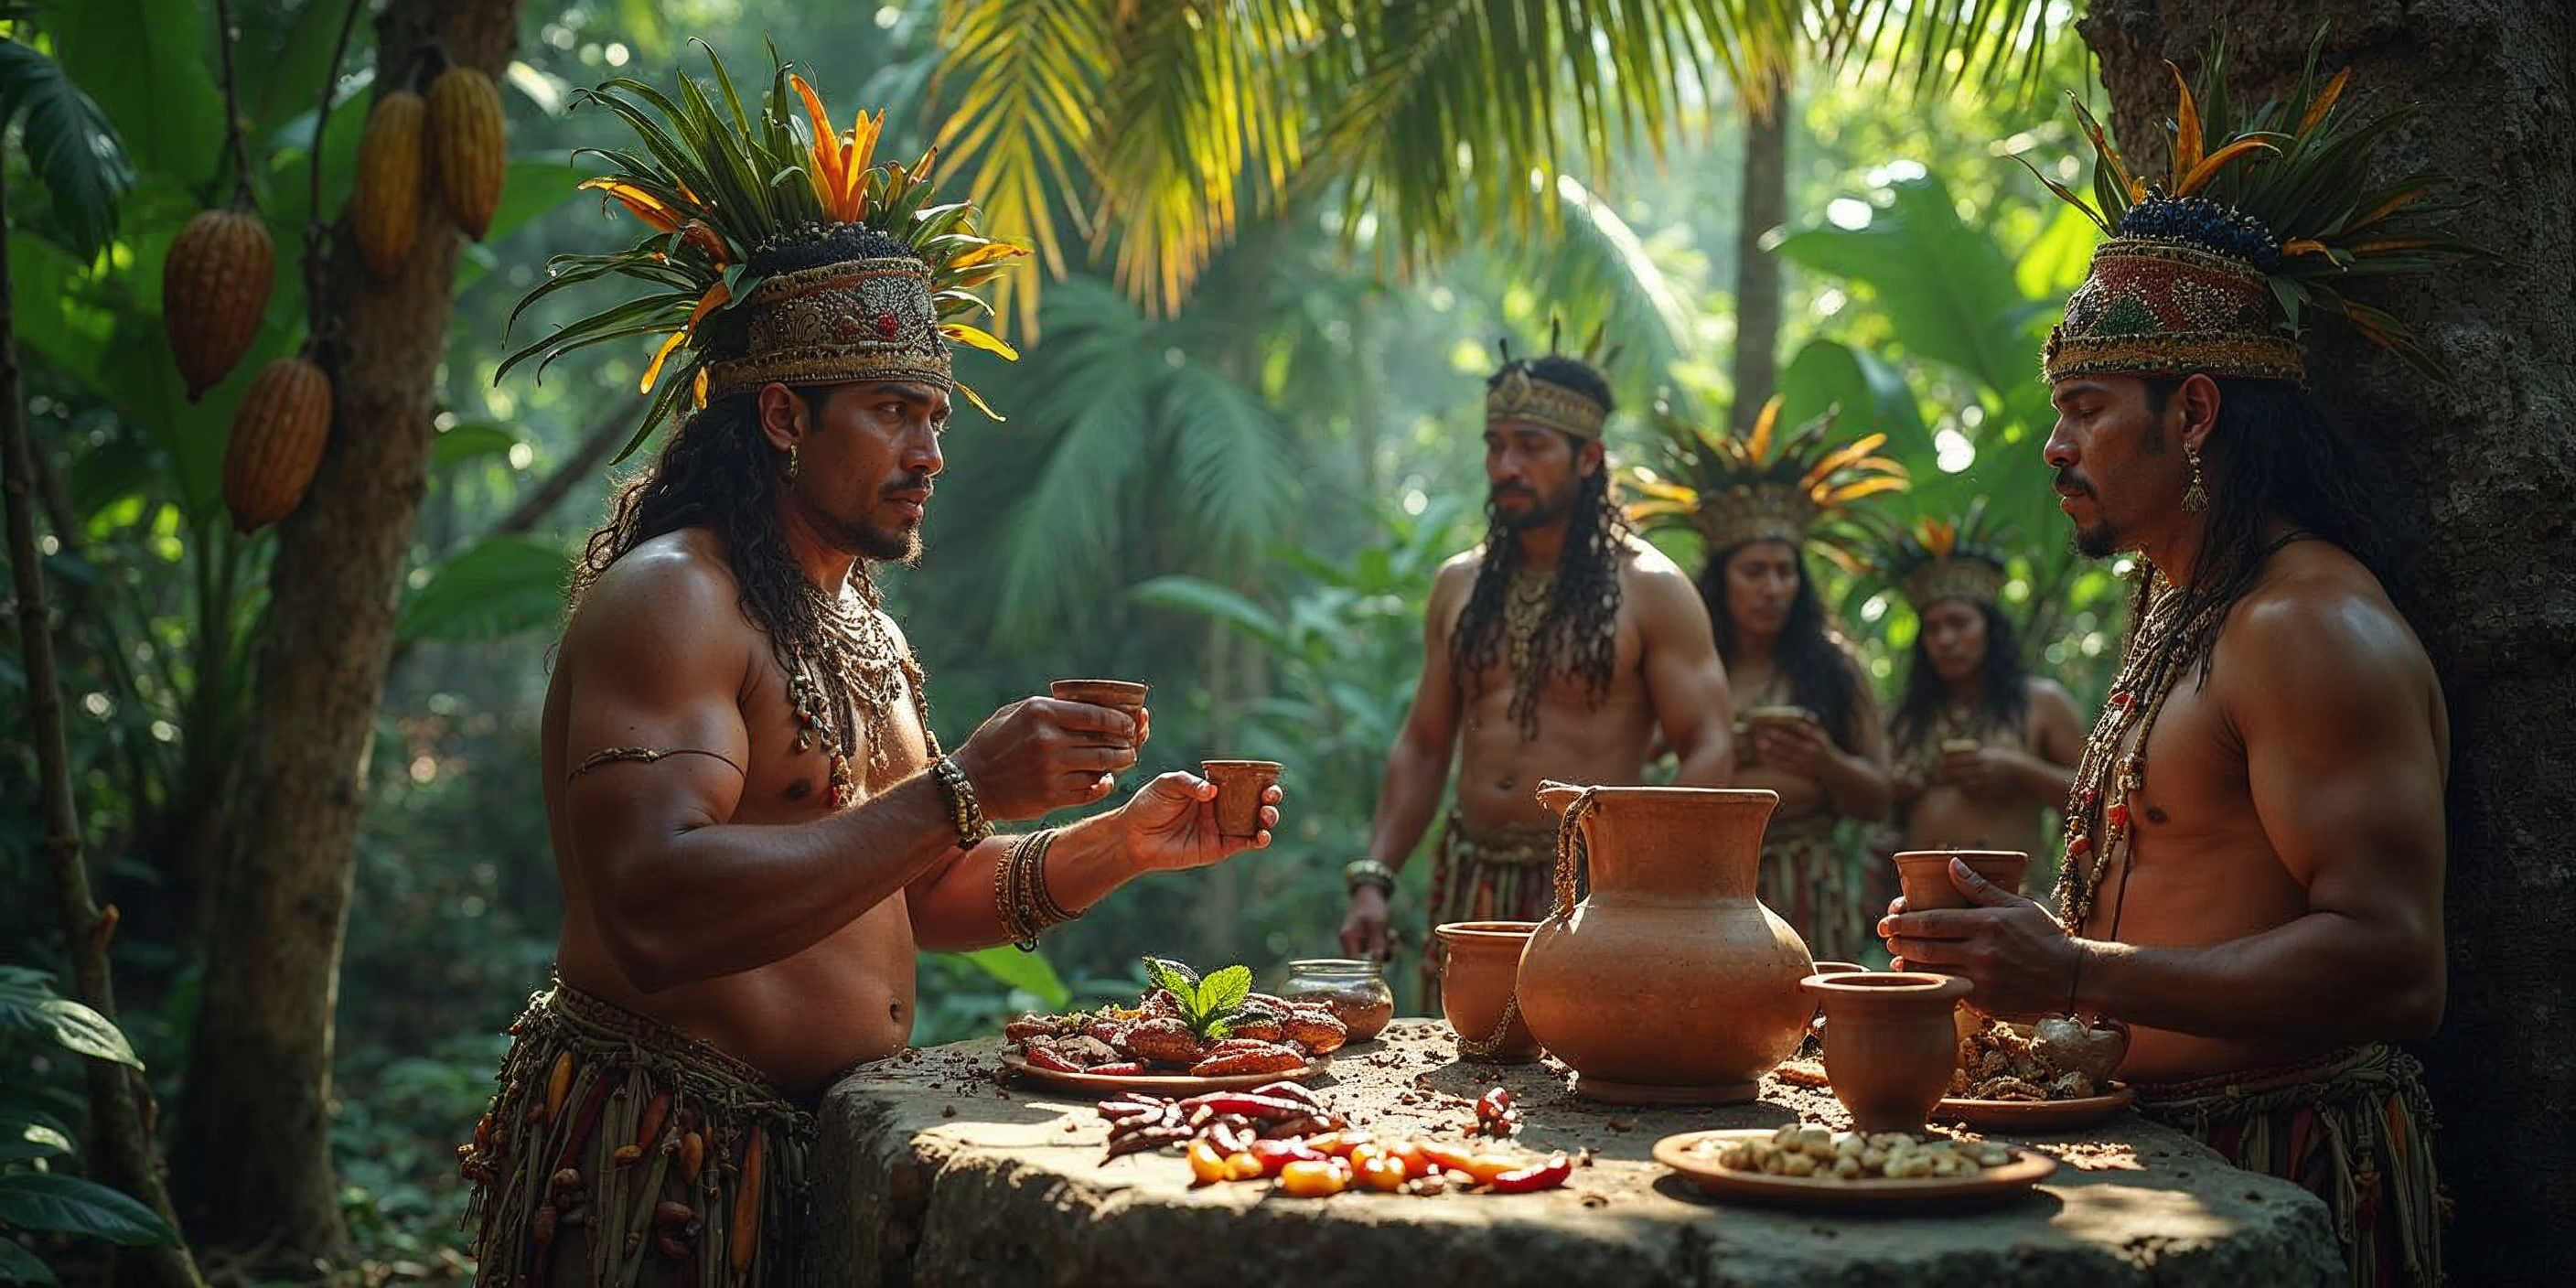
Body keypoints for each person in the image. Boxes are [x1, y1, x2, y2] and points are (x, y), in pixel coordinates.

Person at [455, 58, 1280, 1287]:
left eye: (937, 416)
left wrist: (1123, 844)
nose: (930, 451)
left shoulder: (862, 628)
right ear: (785, 416)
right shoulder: (677, 598)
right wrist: (965, 788)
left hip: (807, 1153)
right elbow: (651, 910)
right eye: (895, 411)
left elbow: (914, 893)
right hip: (655, 1163)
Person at [1877, 47, 2483, 1285]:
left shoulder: (2305, 629)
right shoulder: (2183, 605)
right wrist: (2011, 954)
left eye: (2088, 407)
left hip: (2284, 1168)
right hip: (2150, 1155)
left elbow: (2396, 962)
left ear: (2194, 415)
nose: (2056, 446)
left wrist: (2079, 971)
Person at [1338, 339, 1735, 1009]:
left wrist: (1638, 878)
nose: (1506, 465)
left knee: (1588, 1081)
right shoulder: (1459, 584)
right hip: (1472, 883)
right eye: (1495, 445)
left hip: (1591, 889)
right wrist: (1374, 877)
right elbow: (1425, 744)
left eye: (1530, 445)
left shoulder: (1650, 587)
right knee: (1464, 1080)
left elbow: (1710, 744)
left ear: (1588, 456)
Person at [1629, 398, 1899, 961]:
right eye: (1754, 572)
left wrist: (1823, 759)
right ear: (1720, 581)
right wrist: (1723, 749)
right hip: (1706, 876)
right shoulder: (1682, 664)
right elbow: (1636, 768)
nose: (1772, 587)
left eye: (1784, 572)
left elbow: (1880, 800)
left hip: (1811, 882)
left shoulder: (1836, 665)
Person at [1874, 506, 2080, 865]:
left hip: (2013, 903)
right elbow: (1873, 808)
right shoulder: (1906, 718)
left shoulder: (2040, 702)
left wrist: (2019, 768)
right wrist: (1900, 788)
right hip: (1920, 902)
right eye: (1933, 628)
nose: (1946, 639)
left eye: (1958, 623)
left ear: (1990, 629)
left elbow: (2097, 796)